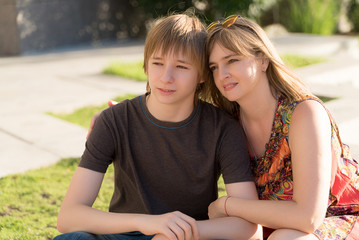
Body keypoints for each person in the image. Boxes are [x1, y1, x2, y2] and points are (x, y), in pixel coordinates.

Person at [54, 13, 261, 240]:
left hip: (186, 237)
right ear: (145, 66)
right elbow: (68, 217)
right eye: (157, 63)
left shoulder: (222, 129)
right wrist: (147, 223)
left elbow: (246, 226)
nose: (166, 77)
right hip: (123, 234)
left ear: (202, 74)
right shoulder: (113, 121)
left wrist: (174, 232)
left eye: (181, 66)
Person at [205, 15, 359, 239]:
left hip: (340, 217)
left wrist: (226, 206)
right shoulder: (228, 122)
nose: (222, 75)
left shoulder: (304, 114)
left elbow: (308, 217)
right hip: (276, 227)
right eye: (214, 67)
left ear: (262, 60)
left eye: (232, 60)